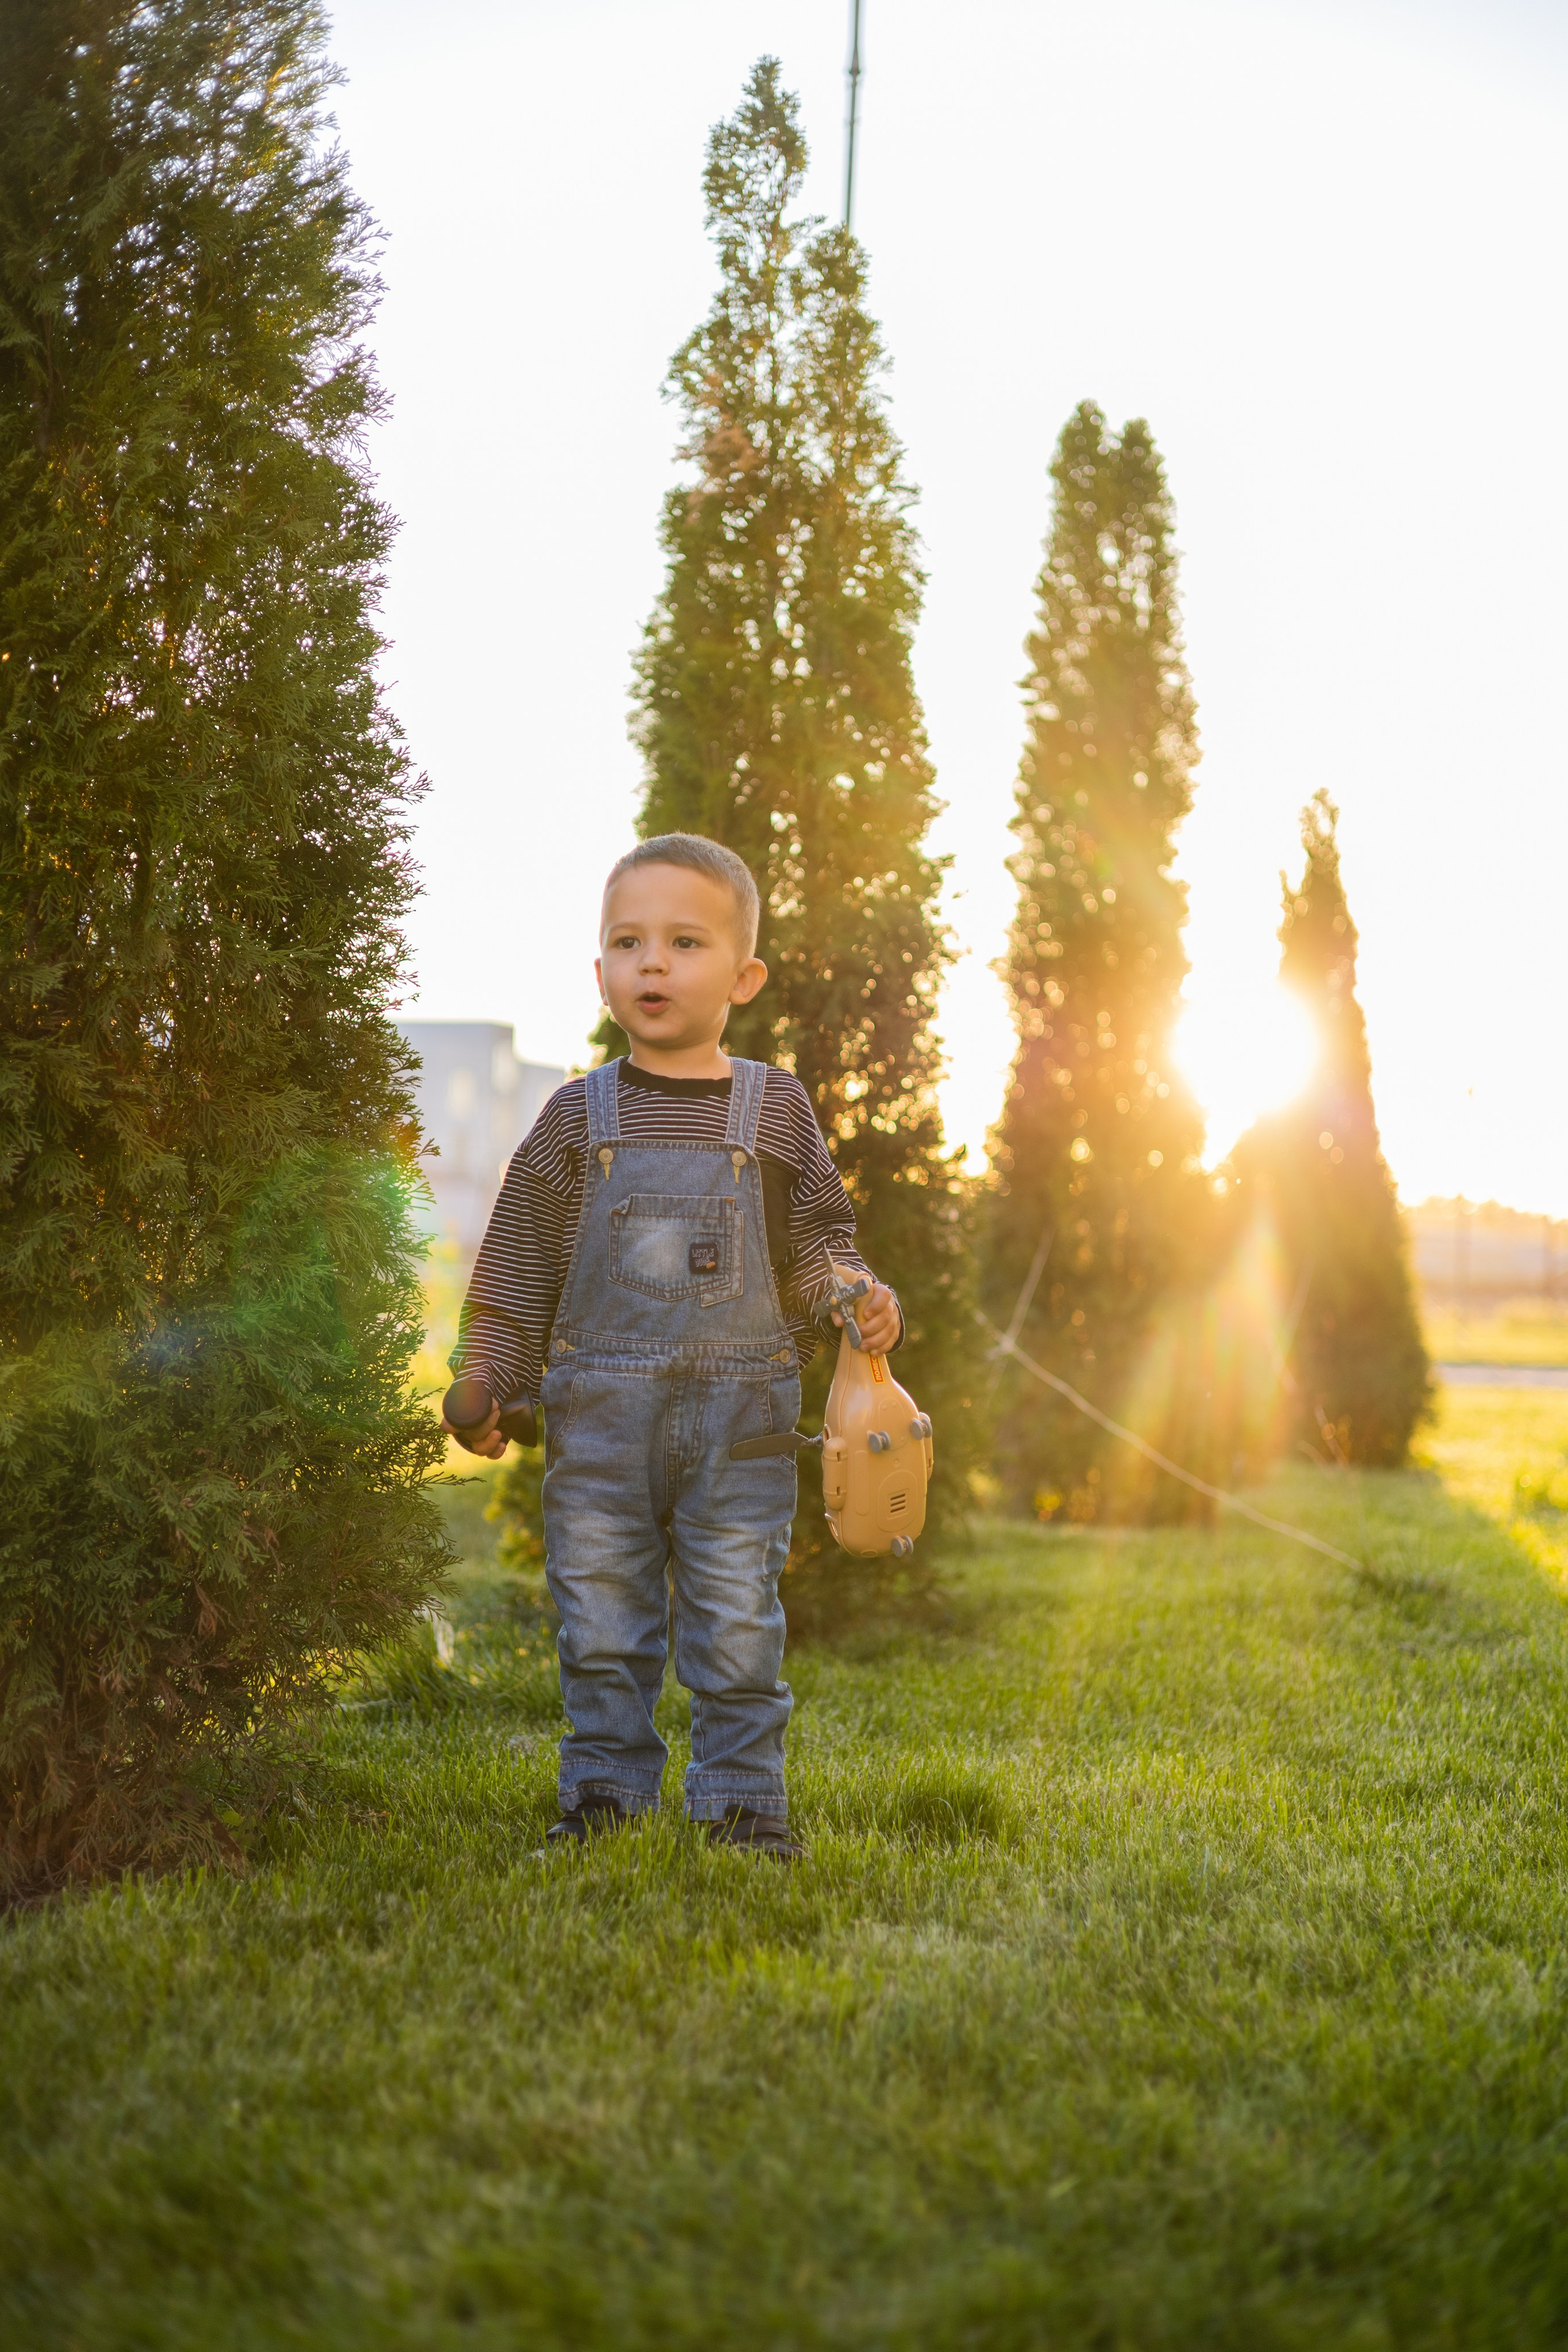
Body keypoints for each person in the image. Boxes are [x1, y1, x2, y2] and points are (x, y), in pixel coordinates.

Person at [443, 833, 902, 1861]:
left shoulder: (774, 1107)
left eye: (684, 942)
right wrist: (489, 1376)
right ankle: (603, 1794)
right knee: (600, 1619)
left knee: (738, 1619)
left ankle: (744, 1803)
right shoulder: (575, 1116)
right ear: (600, 970)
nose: (653, 963)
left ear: (742, 976)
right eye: (628, 941)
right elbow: (520, 1256)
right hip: (601, 1424)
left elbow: (817, 1240)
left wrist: (855, 1296)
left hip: (741, 1424)